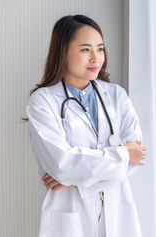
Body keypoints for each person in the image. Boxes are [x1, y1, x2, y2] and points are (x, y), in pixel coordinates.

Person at [26, 14, 146, 237]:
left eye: (100, 49)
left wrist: (75, 177)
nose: (96, 58)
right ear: (63, 52)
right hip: (70, 218)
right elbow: (61, 164)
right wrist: (121, 155)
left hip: (117, 211)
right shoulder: (42, 101)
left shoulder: (117, 95)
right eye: (85, 50)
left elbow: (136, 159)